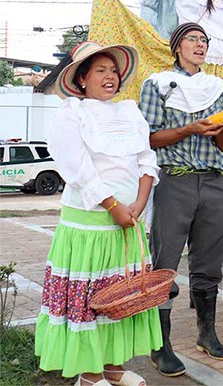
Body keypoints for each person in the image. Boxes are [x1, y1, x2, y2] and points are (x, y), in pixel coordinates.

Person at [36, 41, 161, 386]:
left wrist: (137, 203)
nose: (109, 77)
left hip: (128, 221)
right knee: (91, 300)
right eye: (100, 71)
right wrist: (112, 205)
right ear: (82, 79)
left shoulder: (131, 112)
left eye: (113, 71)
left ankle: (113, 368)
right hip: (89, 224)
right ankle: (89, 376)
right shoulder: (71, 113)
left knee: (121, 297)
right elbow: (77, 167)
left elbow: (146, 161)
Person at [140, 22, 223, 376]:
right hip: (175, 180)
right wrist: (189, 128)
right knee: (165, 261)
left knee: (209, 261)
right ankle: (160, 344)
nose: (199, 45)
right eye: (192, 39)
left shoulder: (218, 89)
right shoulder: (157, 84)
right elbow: (151, 139)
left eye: (204, 40)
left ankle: (206, 333)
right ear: (176, 47)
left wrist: (222, 129)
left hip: (214, 182)